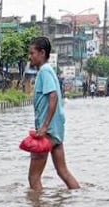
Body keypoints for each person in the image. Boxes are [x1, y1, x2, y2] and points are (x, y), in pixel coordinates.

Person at [27, 37, 80, 191]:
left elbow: (53, 96)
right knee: (63, 172)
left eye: (32, 53)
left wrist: (44, 126)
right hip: (56, 132)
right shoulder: (48, 71)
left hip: (48, 132)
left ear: (42, 53)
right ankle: (79, 197)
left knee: (33, 177)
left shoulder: (44, 71)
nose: (30, 57)